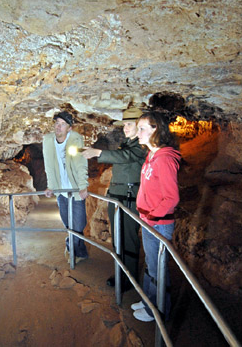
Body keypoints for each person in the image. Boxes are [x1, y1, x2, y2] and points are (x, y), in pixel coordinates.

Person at [81, 107, 146, 290]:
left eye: (129, 124)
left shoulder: (140, 146)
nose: (125, 128)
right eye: (124, 124)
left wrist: (98, 153)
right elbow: (122, 155)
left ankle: (130, 278)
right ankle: (121, 272)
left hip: (129, 198)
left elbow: (125, 157)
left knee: (129, 240)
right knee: (118, 238)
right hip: (117, 197)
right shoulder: (126, 144)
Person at [131, 111, 181, 322]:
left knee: (157, 268)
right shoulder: (151, 155)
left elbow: (171, 197)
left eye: (142, 128)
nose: (138, 132)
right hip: (149, 220)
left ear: (155, 130)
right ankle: (149, 301)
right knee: (151, 265)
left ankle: (159, 311)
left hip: (158, 224)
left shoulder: (165, 159)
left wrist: (151, 217)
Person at [43, 111, 89, 263]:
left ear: (69, 128)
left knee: (79, 222)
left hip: (75, 189)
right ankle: (80, 253)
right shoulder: (48, 140)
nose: (58, 127)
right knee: (67, 222)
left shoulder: (75, 139)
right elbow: (49, 166)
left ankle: (71, 248)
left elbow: (80, 163)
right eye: (57, 123)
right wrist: (51, 186)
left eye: (63, 124)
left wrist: (83, 186)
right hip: (61, 190)